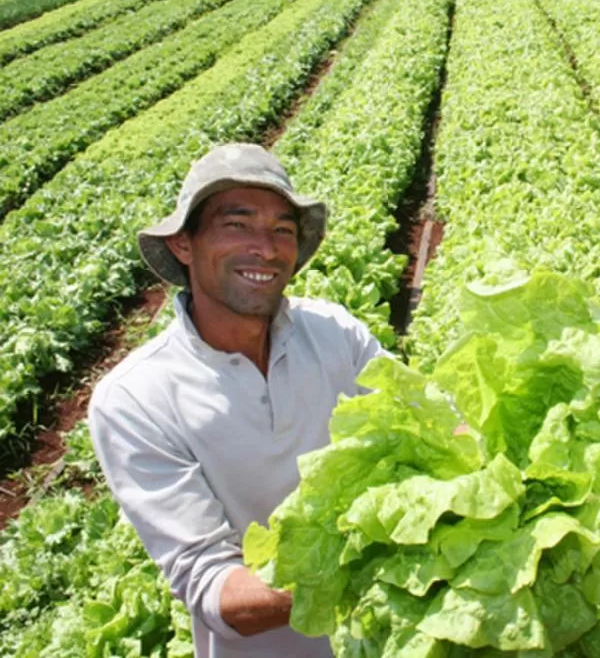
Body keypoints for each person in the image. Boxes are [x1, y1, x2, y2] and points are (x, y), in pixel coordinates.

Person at [88, 144, 384, 658]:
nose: (266, 249)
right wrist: (373, 566)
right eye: (237, 225)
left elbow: (430, 432)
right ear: (184, 244)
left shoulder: (338, 334)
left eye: (282, 230)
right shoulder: (136, 399)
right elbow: (214, 586)